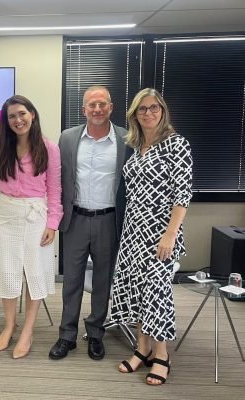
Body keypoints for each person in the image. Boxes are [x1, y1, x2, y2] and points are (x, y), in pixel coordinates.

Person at [110, 88, 192, 385]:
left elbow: (182, 194)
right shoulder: (136, 146)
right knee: (137, 290)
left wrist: (170, 234)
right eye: (142, 109)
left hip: (161, 231)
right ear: (134, 114)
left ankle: (161, 355)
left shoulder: (176, 144)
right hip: (134, 230)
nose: (148, 113)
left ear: (162, 111)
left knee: (157, 291)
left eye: (154, 107)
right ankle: (141, 349)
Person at [49, 86, 131, 361]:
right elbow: (58, 179)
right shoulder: (68, 138)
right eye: (92, 105)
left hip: (109, 219)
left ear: (111, 107)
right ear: (83, 109)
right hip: (76, 219)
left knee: (102, 281)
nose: (97, 109)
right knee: (71, 280)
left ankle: (96, 333)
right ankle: (67, 335)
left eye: (102, 104)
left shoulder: (126, 139)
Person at [0, 95, 62, 359]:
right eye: (11, 116)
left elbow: (54, 189)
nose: (18, 120)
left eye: (22, 113)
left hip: (36, 217)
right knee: (7, 272)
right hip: (5, 216)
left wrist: (52, 224)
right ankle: (10, 325)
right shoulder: (1, 147)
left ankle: (28, 331)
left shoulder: (49, 148)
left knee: (35, 273)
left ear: (32, 114)